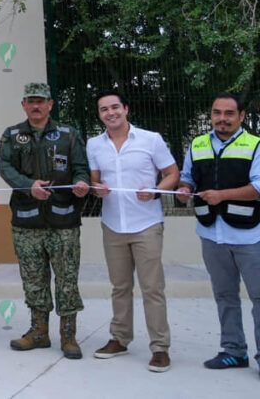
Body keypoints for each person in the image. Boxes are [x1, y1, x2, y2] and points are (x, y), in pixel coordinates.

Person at [87, 90, 179, 372]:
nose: (110, 113)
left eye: (115, 107)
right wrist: (97, 190)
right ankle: (120, 338)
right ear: (100, 114)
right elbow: (95, 182)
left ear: (126, 109)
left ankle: (160, 348)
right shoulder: (94, 145)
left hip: (146, 225)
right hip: (113, 225)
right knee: (120, 287)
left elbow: (172, 174)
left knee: (152, 288)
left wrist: (154, 192)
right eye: (104, 109)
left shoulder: (151, 140)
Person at [0, 82, 90, 360]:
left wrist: (81, 183)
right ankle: (39, 332)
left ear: (50, 104)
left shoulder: (68, 134)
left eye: (41, 101)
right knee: (34, 280)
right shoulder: (13, 135)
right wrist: (28, 186)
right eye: (31, 101)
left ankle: (69, 335)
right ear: (24, 105)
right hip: (27, 221)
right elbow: (5, 167)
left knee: (66, 280)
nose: (36, 106)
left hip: (63, 221)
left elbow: (81, 168)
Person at [177, 93, 260, 376]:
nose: (222, 119)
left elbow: (258, 188)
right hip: (211, 234)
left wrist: (221, 195)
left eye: (228, 113)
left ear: (241, 116)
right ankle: (233, 351)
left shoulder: (255, 145)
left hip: (250, 236)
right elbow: (187, 177)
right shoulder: (198, 144)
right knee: (225, 295)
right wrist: (184, 189)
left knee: (259, 297)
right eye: (216, 113)